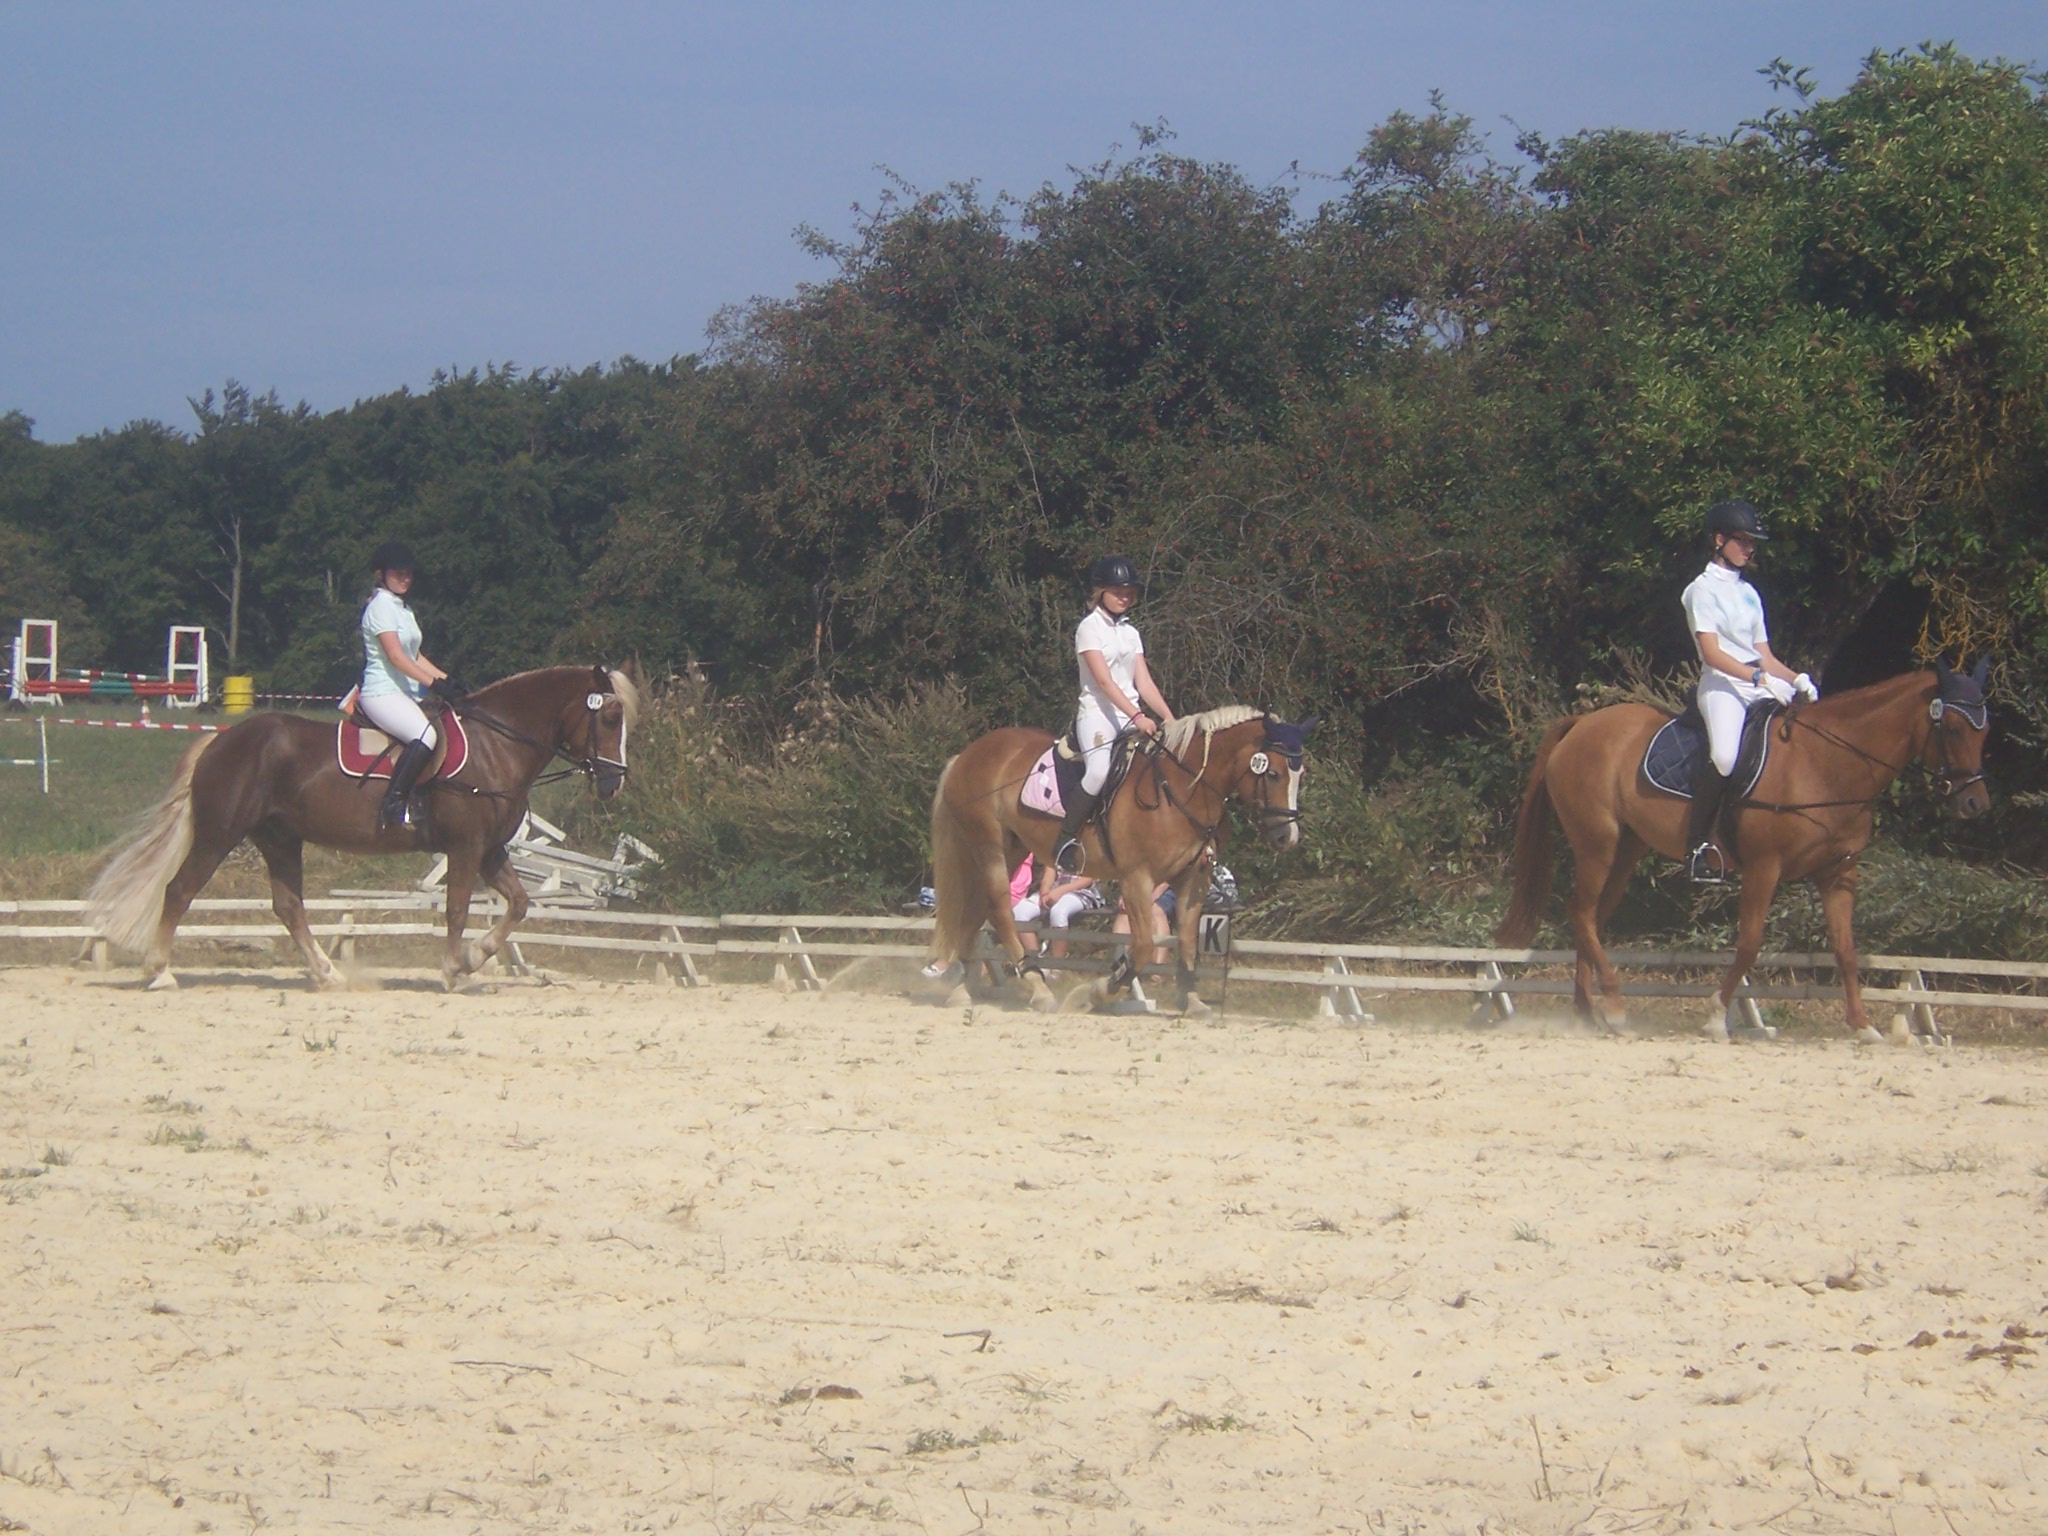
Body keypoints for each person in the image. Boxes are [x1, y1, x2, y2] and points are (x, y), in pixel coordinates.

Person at [1681, 500, 1818, 883]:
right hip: (1722, 685)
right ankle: (1697, 848)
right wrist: (1756, 678)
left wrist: (1796, 679)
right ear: (1719, 540)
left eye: (1751, 541)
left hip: (1759, 682)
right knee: (1725, 757)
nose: (1749, 548)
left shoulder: (1749, 593)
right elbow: (1712, 654)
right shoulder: (1701, 591)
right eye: (1741, 540)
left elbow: (1765, 656)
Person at [1054, 555, 1177, 874]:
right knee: (1098, 772)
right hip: (1097, 714)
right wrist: (1138, 717)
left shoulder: (1131, 632)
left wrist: (1169, 717)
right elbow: (1104, 682)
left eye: (1128, 592)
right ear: (1101, 592)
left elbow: (1143, 682)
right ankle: (1066, 840)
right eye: (1117, 591)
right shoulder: (1089, 628)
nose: (1124, 597)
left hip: (1129, 713)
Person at [357, 541, 450, 830]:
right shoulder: (380, 608)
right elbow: (396, 657)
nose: (405, 577)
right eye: (398, 573)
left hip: (406, 692)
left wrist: (448, 681)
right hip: (382, 692)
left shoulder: (403, 609)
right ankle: (393, 805)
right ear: (381, 574)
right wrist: (433, 683)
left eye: (408, 572)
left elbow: (415, 655)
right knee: (425, 736)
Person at [1012, 857, 1102, 962]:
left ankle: (1057, 964)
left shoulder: (1087, 850)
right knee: (1019, 913)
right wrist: (1045, 892)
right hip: (1055, 888)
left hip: (1081, 891)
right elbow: (1049, 873)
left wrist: (1060, 891)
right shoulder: (1055, 849)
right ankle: (1035, 961)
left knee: (1058, 912)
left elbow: (1088, 879)